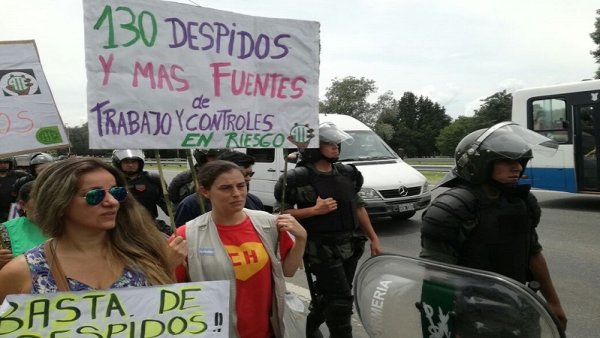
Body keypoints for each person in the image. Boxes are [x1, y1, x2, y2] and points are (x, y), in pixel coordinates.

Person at [419, 121, 567, 331]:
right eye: (506, 161)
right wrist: (441, 330)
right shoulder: (451, 209)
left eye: (520, 161)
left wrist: (553, 302)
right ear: (479, 164)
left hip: (520, 306)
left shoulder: (520, 202)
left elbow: (533, 252)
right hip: (470, 317)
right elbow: (437, 277)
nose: (517, 167)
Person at [0, 157, 186, 302]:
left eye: (116, 192)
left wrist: (166, 269)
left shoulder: (146, 257)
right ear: (59, 202)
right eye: (95, 195)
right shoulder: (21, 273)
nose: (112, 202)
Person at [173, 160, 307, 338]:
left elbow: (287, 271)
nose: (236, 194)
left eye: (241, 185)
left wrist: (301, 238)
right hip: (216, 331)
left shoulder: (269, 223)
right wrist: (169, 263)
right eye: (226, 188)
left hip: (267, 330)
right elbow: (172, 290)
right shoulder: (187, 234)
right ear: (205, 191)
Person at [274, 122, 382, 338]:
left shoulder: (347, 173)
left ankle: (311, 326)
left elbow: (358, 206)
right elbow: (280, 216)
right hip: (320, 248)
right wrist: (314, 210)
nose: (336, 148)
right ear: (314, 148)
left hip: (350, 246)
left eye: (337, 143)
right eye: (329, 144)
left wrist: (373, 238)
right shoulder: (298, 178)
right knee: (341, 300)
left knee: (333, 295)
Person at [174, 150, 264, 226]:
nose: (248, 178)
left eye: (250, 174)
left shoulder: (254, 202)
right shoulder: (190, 205)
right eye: (225, 188)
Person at [112, 149, 172, 235]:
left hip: (149, 224)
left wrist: (180, 216)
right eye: (126, 162)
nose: (130, 165)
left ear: (140, 163)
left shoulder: (153, 180)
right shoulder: (112, 182)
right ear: (118, 163)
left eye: (134, 162)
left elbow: (168, 206)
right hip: (120, 226)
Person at [0, 181, 47, 269]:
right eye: (39, 200)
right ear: (23, 205)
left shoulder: (71, 226)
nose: (46, 205)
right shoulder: (4, 230)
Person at [0, 156, 29, 222]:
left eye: (5, 162)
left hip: (18, 210)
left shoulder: (20, 174)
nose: (3, 165)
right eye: (0, 163)